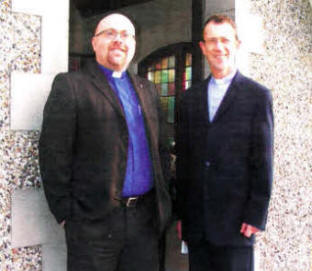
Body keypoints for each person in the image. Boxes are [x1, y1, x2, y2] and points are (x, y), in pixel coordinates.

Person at [39, 13, 171, 271]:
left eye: (125, 35)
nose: (118, 41)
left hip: (144, 220)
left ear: (134, 44)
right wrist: (66, 213)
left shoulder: (148, 89)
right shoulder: (71, 86)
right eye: (109, 34)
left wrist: (163, 200)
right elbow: (53, 153)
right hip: (92, 223)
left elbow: (162, 150)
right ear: (94, 43)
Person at [176, 14, 274, 271]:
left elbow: (263, 160)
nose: (219, 47)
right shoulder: (189, 99)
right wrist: (181, 214)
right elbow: (184, 160)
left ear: (237, 45)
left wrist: (256, 215)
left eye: (224, 40)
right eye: (212, 41)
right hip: (197, 224)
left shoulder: (257, 97)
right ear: (203, 47)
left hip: (237, 223)